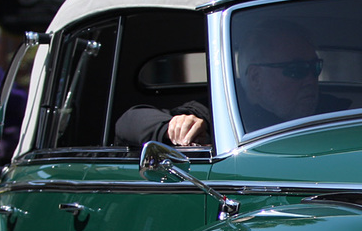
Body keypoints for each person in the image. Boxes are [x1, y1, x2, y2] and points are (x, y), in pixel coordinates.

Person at [116, 21, 346, 146]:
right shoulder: (218, 116)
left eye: (314, 68)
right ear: (255, 77)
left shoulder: (336, 115)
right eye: (296, 70)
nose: (310, 80)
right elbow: (129, 120)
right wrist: (173, 128)